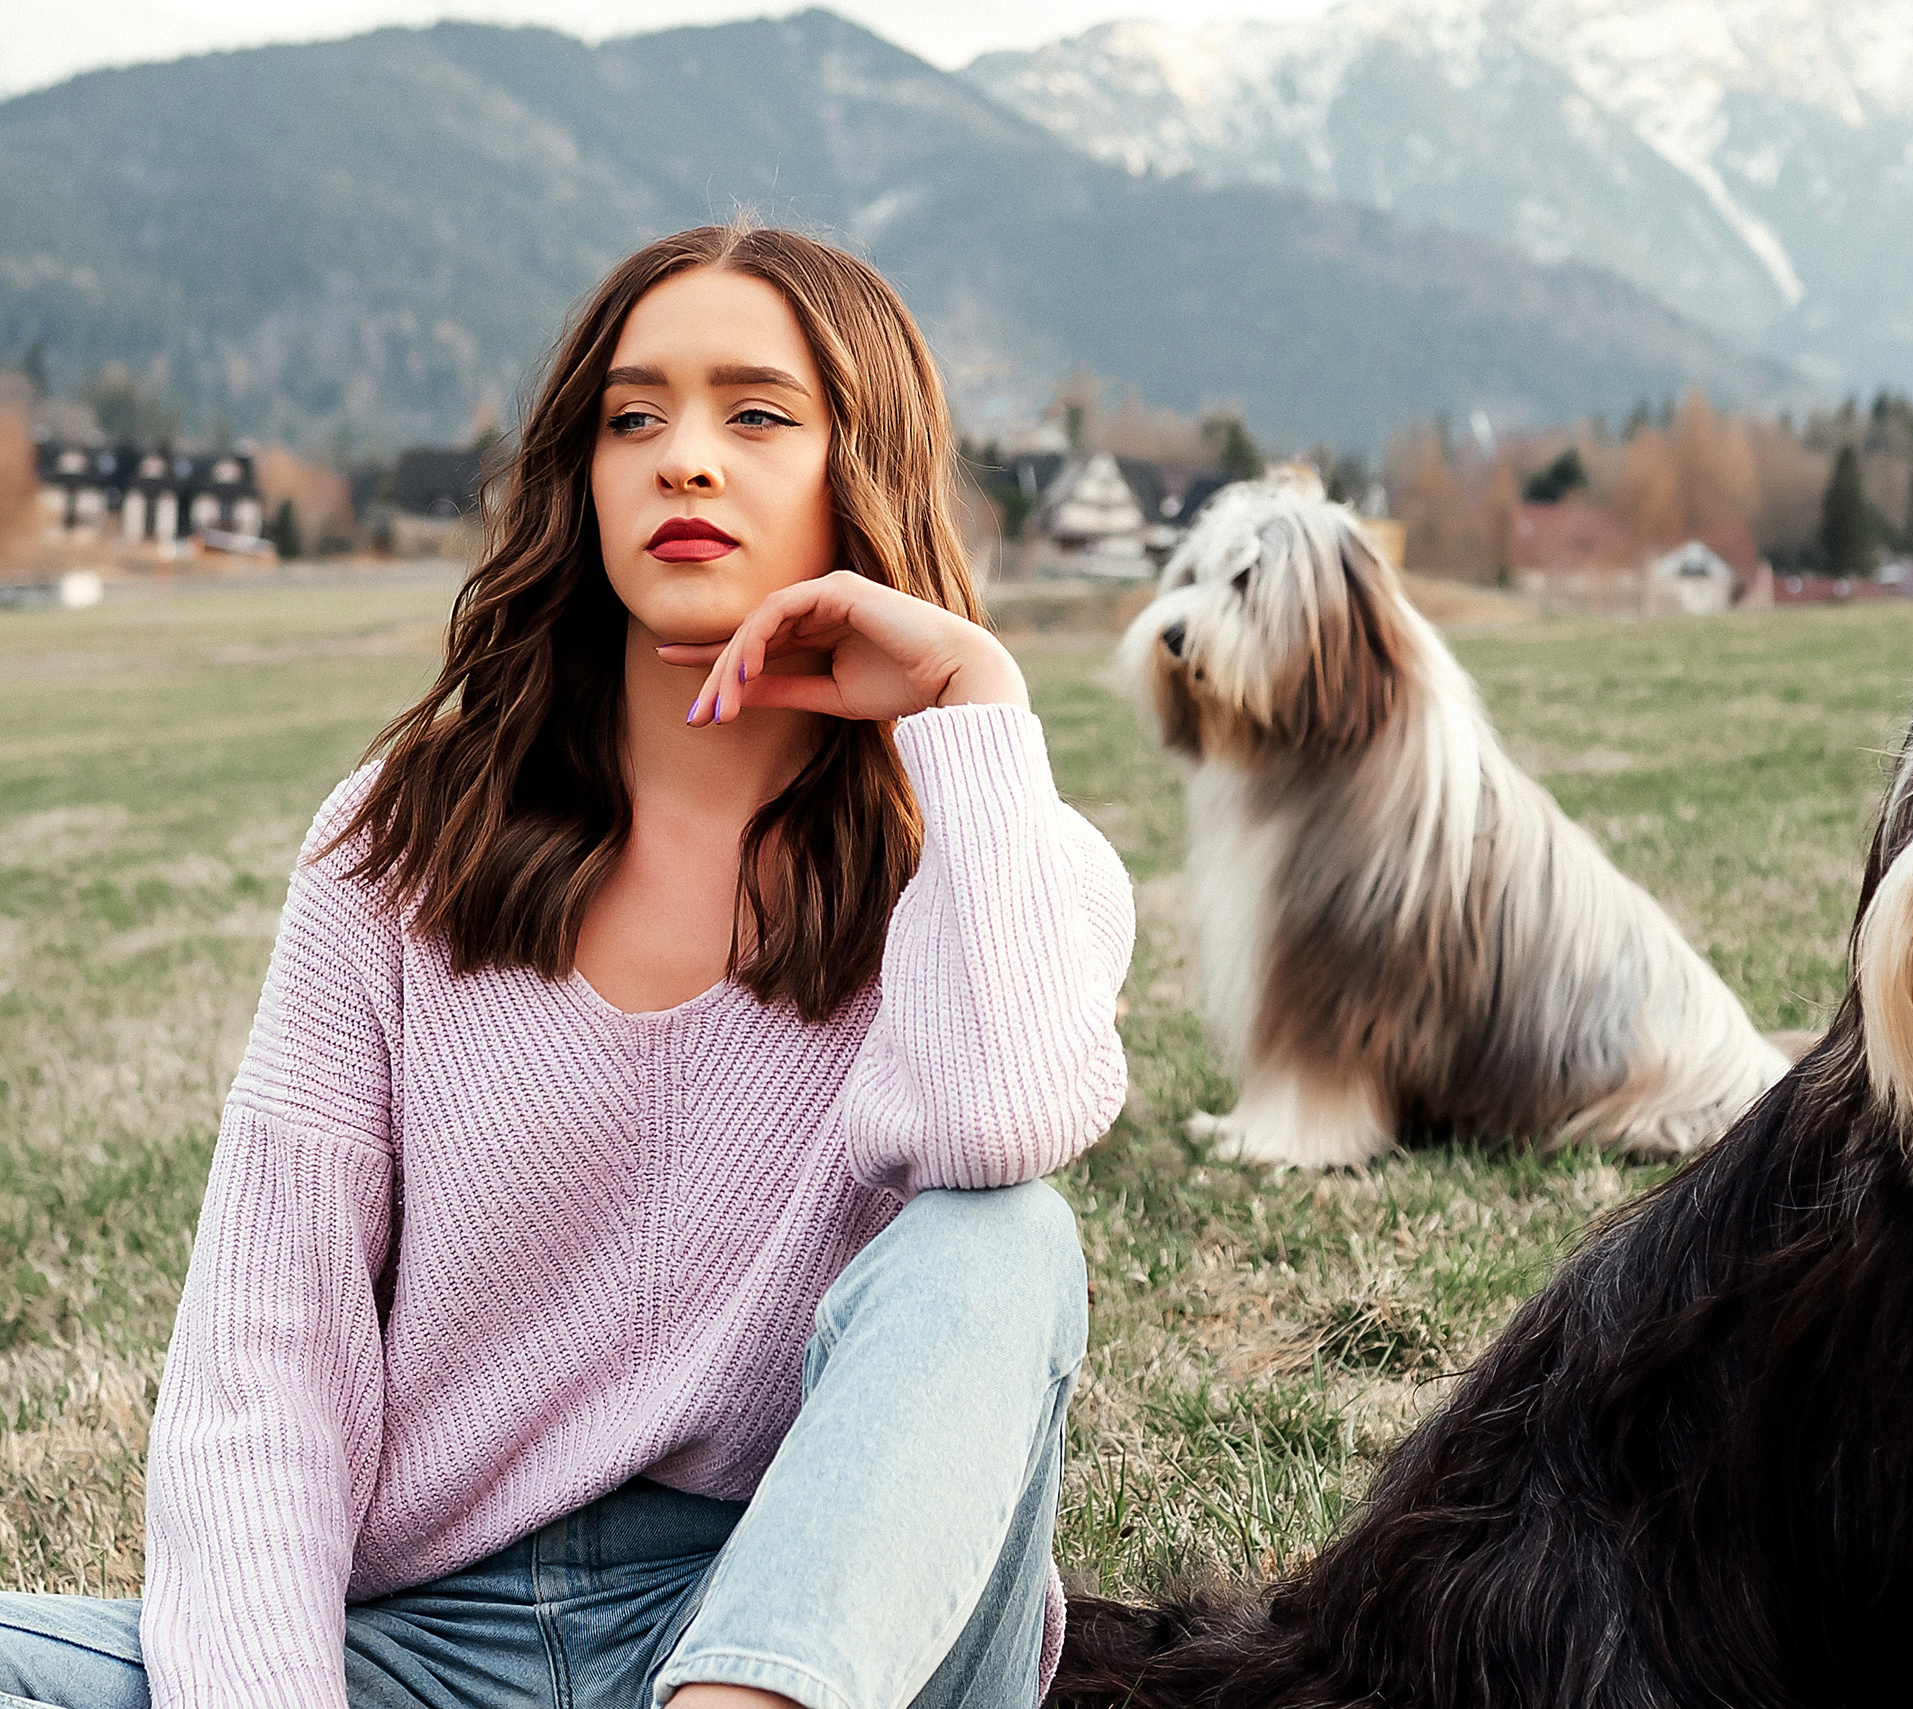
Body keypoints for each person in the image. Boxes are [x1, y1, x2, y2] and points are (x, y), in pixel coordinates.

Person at [0, 225, 1135, 1709]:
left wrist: (967, 698)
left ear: (863, 468)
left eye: (757, 413)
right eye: (633, 417)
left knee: (1004, 1238)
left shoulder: (998, 857)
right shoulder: (399, 845)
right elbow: (267, 1361)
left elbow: (999, 1128)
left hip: (807, 1630)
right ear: (582, 474)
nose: (684, 460)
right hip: (430, 1648)